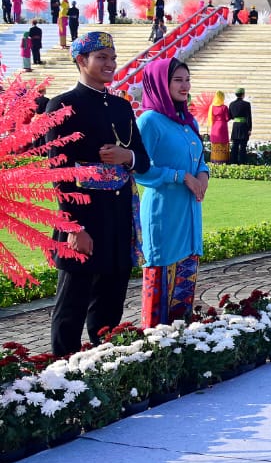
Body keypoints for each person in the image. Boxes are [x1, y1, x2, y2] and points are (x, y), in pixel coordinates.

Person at [45, 31, 152, 355]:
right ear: (81, 60)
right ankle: (63, 374)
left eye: (113, 57)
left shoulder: (121, 106)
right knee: (72, 303)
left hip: (118, 216)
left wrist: (126, 157)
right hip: (84, 216)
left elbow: (143, 161)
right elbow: (59, 173)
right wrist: (74, 228)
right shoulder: (62, 105)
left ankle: (103, 364)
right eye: (101, 57)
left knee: (110, 300)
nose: (110, 63)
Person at [133, 58, 208, 327]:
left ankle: (181, 350)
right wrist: (180, 177)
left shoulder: (188, 122)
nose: (185, 85)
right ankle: (156, 352)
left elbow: (200, 159)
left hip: (189, 214)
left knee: (184, 296)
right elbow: (140, 170)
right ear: (159, 84)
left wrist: (202, 174)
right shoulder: (149, 121)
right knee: (160, 294)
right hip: (163, 215)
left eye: (187, 79)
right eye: (177, 80)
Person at [228, 88, 252, 164]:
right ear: (243, 94)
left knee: (235, 145)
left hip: (235, 126)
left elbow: (230, 116)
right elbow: (249, 117)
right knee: (243, 146)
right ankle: (242, 162)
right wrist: (249, 128)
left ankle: (233, 161)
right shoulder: (246, 104)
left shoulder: (232, 104)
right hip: (244, 126)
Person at [207, 90, 230, 163]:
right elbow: (227, 118)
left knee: (215, 142)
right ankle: (223, 160)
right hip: (222, 125)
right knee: (223, 142)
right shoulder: (224, 107)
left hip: (215, 126)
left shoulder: (212, 107)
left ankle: (215, 159)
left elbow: (211, 118)